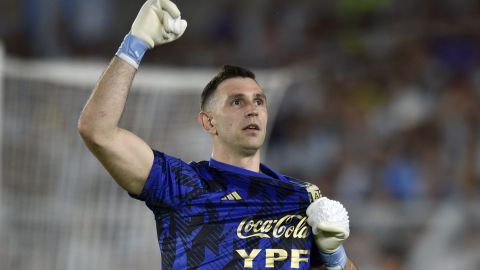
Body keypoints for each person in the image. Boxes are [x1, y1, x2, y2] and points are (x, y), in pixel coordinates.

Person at [78, 0, 357, 269]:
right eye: (237, 102)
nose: (252, 110)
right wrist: (134, 43)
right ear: (208, 122)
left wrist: (334, 256)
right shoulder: (182, 186)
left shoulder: (301, 197)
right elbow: (97, 131)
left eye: (259, 101)